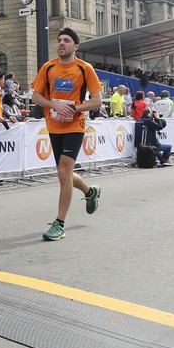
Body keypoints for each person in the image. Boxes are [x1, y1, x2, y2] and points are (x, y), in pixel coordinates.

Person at [31, 28, 104, 241]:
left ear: (76, 46)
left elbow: (97, 101)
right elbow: (36, 96)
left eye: (67, 41)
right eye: (59, 40)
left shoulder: (84, 68)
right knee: (65, 173)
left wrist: (73, 109)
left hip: (75, 126)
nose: (61, 43)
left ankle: (59, 224)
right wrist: (54, 105)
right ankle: (89, 191)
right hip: (54, 126)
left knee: (63, 172)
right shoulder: (48, 67)